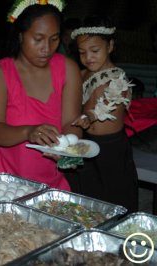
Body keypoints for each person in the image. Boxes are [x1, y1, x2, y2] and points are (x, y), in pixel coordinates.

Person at [0, 0, 83, 190]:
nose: (47, 48)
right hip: (9, 182)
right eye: (38, 39)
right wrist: (28, 132)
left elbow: (72, 122)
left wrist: (67, 149)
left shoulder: (68, 69)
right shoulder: (1, 74)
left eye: (54, 39)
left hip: (52, 179)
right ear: (21, 35)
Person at [70, 15, 139, 212]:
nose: (88, 57)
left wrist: (90, 116)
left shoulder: (117, 78)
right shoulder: (83, 73)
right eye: (82, 52)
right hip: (87, 142)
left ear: (110, 46)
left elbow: (109, 102)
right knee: (89, 197)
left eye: (94, 51)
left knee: (115, 196)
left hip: (111, 148)